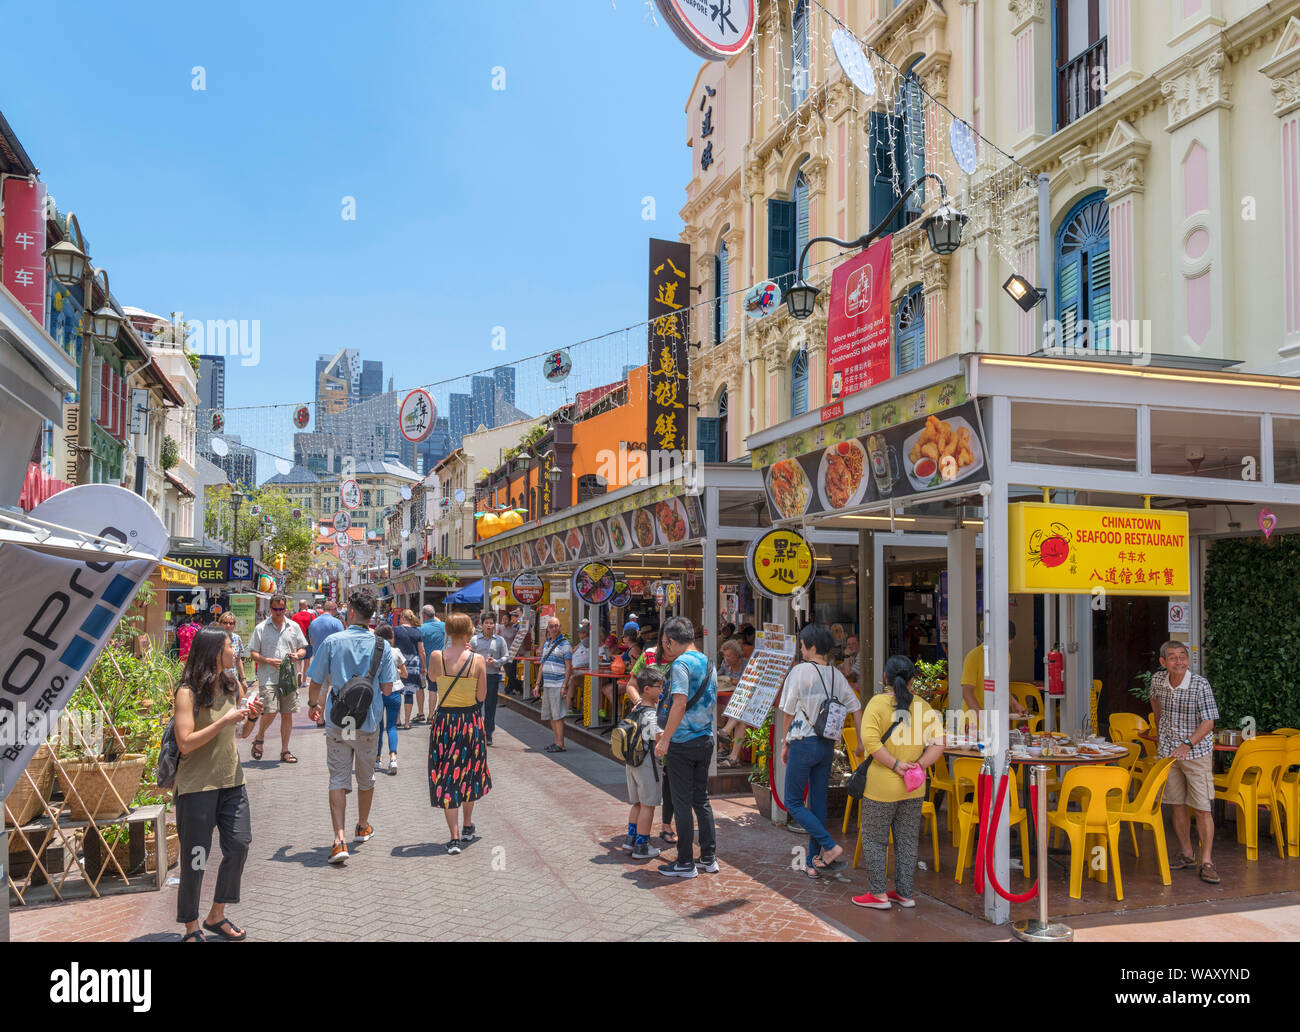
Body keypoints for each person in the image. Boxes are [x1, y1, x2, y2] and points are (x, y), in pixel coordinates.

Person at [173, 626, 259, 942]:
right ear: (212, 652)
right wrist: (225, 720)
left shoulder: (231, 683)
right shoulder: (187, 692)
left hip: (232, 782)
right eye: (227, 645)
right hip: (197, 789)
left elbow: (242, 735)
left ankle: (216, 914)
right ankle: (191, 926)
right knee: (196, 858)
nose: (233, 650)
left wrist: (250, 718)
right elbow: (185, 742)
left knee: (239, 845)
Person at [305, 590, 398, 864]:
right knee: (366, 778)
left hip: (340, 720)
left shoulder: (333, 642)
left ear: (352, 613)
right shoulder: (381, 645)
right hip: (368, 721)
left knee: (338, 777)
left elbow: (316, 680)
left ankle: (338, 840)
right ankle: (363, 825)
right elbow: (388, 688)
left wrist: (314, 705)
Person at [852, 655, 946, 909]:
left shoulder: (877, 704)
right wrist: (920, 765)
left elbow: (871, 744)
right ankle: (905, 894)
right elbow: (939, 744)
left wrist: (895, 765)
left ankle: (878, 894)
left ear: (886, 678)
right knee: (906, 841)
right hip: (914, 787)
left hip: (881, 787)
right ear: (913, 680)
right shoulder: (924, 707)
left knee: (874, 840)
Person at [778, 624, 865, 878]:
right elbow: (856, 707)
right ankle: (814, 862)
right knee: (817, 803)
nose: (801, 649)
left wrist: (785, 741)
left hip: (803, 743)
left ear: (811, 647)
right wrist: (860, 742)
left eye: (803, 644)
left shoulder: (800, 671)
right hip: (826, 745)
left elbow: (788, 711)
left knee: (793, 802)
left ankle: (829, 846)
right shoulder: (837, 675)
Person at [1150, 640, 1220, 884]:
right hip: (1169, 752)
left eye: (1183, 656)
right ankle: (1187, 853)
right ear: (1163, 663)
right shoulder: (1158, 680)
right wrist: (1159, 727)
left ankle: (1208, 861)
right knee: (1176, 804)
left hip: (1196, 752)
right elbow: (1155, 699)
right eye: (1173, 657)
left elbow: (1209, 722)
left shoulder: (1200, 685)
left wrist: (1186, 744)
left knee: (1202, 808)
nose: (1179, 661)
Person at [654, 615, 719, 878]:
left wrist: (665, 738)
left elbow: (679, 703)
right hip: (705, 740)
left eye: (664, 643)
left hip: (682, 742)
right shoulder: (708, 662)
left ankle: (684, 862)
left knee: (681, 803)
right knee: (701, 800)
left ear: (669, 641)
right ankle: (708, 857)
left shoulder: (681, 665)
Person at [426, 613, 492, 854]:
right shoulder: (477, 660)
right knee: (470, 773)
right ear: (469, 632)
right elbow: (482, 696)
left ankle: (453, 837)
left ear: (448, 632)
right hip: (469, 721)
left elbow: (432, 677)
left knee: (446, 776)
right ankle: (467, 826)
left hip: (445, 722)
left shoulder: (436, 657)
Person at [247, 593, 308, 764]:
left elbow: (303, 648)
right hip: (268, 677)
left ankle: (285, 750)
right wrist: (267, 660)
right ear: (270, 609)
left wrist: (297, 655)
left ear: (285, 608)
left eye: (282, 609)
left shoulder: (293, 626)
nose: (279, 612)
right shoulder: (261, 628)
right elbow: (252, 653)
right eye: (275, 609)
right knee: (270, 710)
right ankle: (259, 737)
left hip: (288, 678)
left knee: (287, 714)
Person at [622, 667, 666, 861]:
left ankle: (630, 839)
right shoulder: (650, 714)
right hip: (647, 763)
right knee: (648, 805)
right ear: (646, 689)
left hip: (632, 762)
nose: (662, 691)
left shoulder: (635, 708)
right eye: (659, 687)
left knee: (637, 803)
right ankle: (642, 846)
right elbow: (658, 738)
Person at [960, 621, 1027, 716]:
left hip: (994, 717)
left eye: (1008, 644)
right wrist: (982, 717)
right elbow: (967, 693)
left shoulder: (1005, 656)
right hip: (972, 720)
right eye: (1003, 642)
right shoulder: (973, 656)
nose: (1005, 647)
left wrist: (1014, 703)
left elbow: (1001, 686)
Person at [531, 616, 573, 752]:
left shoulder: (565, 644)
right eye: (552, 626)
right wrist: (537, 684)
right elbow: (542, 665)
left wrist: (564, 685)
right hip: (548, 684)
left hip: (558, 683)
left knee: (558, 715)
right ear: (548, 628)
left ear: (560, 627)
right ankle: (557, 742)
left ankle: (561, 744)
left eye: (557, 626)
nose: (554, 628)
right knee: (551, 715)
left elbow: (568, 667)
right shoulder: (547, 644)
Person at [374, 624, 408, 775]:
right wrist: (396, 670)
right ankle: (393, 758)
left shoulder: (374, 651)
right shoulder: (395, 652)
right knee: (392, 727)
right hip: (394, 691)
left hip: (378, 692)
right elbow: (405, 674)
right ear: (391, 637)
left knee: (379, 728)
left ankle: (377, 758)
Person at [469, 613, 507, 746]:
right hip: (476, 678)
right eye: (487, 623)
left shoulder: (500, 640)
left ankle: (488, 733)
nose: (489, 625)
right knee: (475, 706)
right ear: (482, 624)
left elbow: (506, 657)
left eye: (491, 623)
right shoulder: (474, 640)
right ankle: (476, 732)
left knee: (490, 707)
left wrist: (496, 662)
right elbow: (468, 656)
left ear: (495, 624)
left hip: (492, 677)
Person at [307, 601, 345, 729]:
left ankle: (320, 719)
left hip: (319, 661)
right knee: (337, 691)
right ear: (334, 609)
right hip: (335, 662)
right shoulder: (336, 622)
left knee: (321, 692)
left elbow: (311, 641)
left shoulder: (314, 623)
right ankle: (335, 719)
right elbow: (342, 640)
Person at [716, 639, 750, 769]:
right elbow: (718, 677)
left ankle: (724, 733)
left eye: (729, 655)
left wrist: (734, 681)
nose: (726, 658)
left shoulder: (746, 664)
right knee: (741, 720)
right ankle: (733, 757)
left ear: (737, 654)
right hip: (730, 702)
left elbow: (749, 683)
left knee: (741, 709)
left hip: (746, 702)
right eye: (725, 655)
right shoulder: (725, 664)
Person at [393, 609, 425, 731]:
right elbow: (421, 651)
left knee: (397, 690)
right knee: (409, 693)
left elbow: (391, 645)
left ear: (402, 618)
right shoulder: (417, 632)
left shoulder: (395, 630)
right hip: (413, 664)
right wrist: (423, 666)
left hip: (399, 663)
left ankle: (397, 720)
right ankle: (407, 722)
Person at [417, 604, 446, 722]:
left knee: (424, 689)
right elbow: (439, 621)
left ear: (423, 615)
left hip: (425, 663)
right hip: (440, 662)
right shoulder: (443, 626)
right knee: (435, 689)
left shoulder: (421, 629)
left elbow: (420, 649)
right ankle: (431, 715)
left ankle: (421, 713)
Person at [216, 611, 250, 699]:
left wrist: (243, 679)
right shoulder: (214, 638)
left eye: (231, 623)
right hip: (216, 680)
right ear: (220, 624)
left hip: (232, 679)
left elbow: (238, 660)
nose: (228, 625)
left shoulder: (236, 638)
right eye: (225, 623)